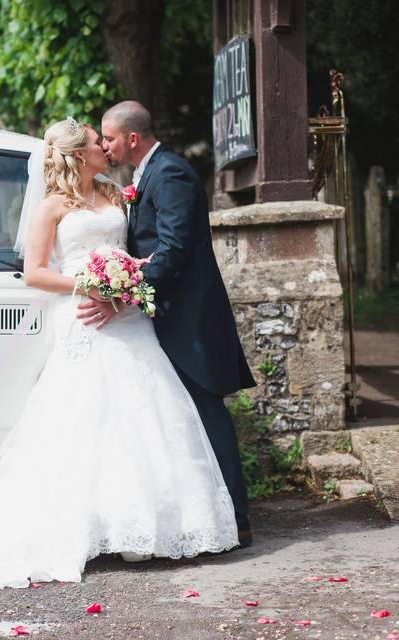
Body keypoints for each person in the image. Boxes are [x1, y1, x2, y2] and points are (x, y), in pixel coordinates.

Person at [0, 118, 238, 591]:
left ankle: (144, 526)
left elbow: (133, 247)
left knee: (142, 412)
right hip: (83, 315)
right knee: (85, 416)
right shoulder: (52, 207)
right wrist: (89, 285)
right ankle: (86, 523)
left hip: (126, 316)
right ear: (78, 154)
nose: (104, 147)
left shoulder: (114, 193)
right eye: (94, 143)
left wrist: (126, 282)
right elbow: (35, 274)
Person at [78, 100, 256, 546]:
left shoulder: (171, 174)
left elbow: (174, 249)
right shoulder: (143, 176)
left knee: (207, 413)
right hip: (162, 316)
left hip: (189, 319)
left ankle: (237, 517)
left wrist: (122, 298)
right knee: (179, 419)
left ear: (132, 139)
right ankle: (202, 513)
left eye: (111, 138)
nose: (106, 146)